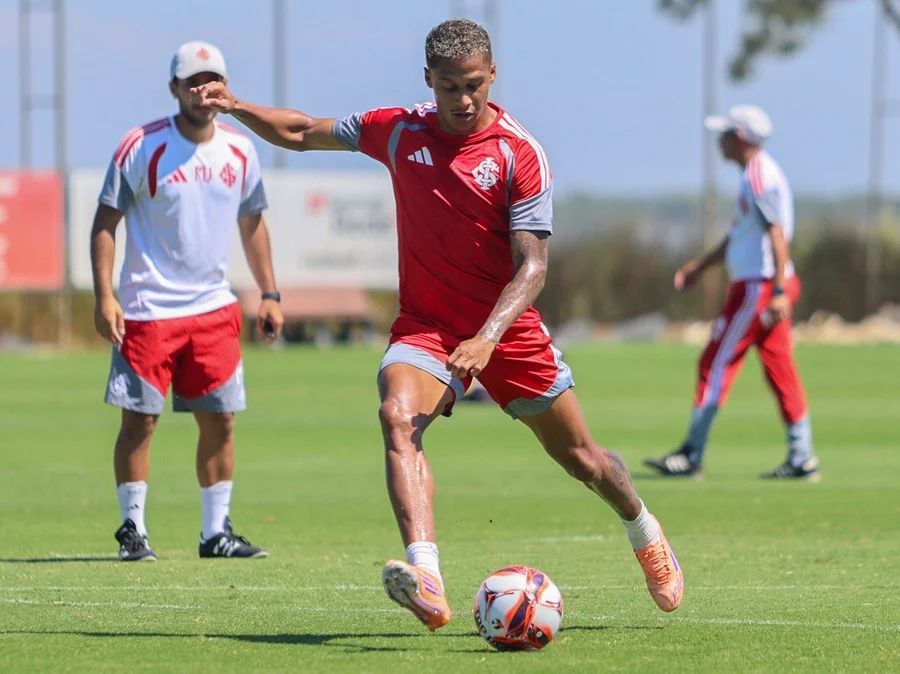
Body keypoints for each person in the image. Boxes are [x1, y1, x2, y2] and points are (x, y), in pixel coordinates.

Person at [192, 19, 683, 629]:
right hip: (426, 327)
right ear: (429, 79)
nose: (463, 99)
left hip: (507, 330)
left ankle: (644, 530)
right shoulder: (399, 130)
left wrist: (488, 337)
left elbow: (533, 267)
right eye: (450, 86)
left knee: (584, 460)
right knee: (397, 417)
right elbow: (300, 131)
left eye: (474, 85)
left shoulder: (519, 153)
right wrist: (237, 106)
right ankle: (426, 576)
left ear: (493, 74)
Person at [91, 41, 284, 562]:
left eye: (211, 80)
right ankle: (133, 530)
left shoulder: (241, 149)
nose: (203, 91)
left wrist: (269, 293)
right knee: (139, 423)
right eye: (192, 82)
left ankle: (215, 533)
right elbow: (105, 221)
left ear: (225, 86)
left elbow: (252, 224)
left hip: (213, 310)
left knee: (220, 421)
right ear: (174, 89)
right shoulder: (141, 145)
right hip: (147, 309)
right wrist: (105, 295)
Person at [644, 105, 820, 481]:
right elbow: (740, 235)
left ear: (740, 137)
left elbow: (776, 235)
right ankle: (802, 455)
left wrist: (776, 290)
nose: (719, 141)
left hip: (759, 287)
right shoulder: (754, 175)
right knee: (780, 368)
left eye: (724, 134)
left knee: (714, 363)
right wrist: (700, 266)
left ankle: (691, 454)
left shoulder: (759, 176)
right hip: (766, 284)